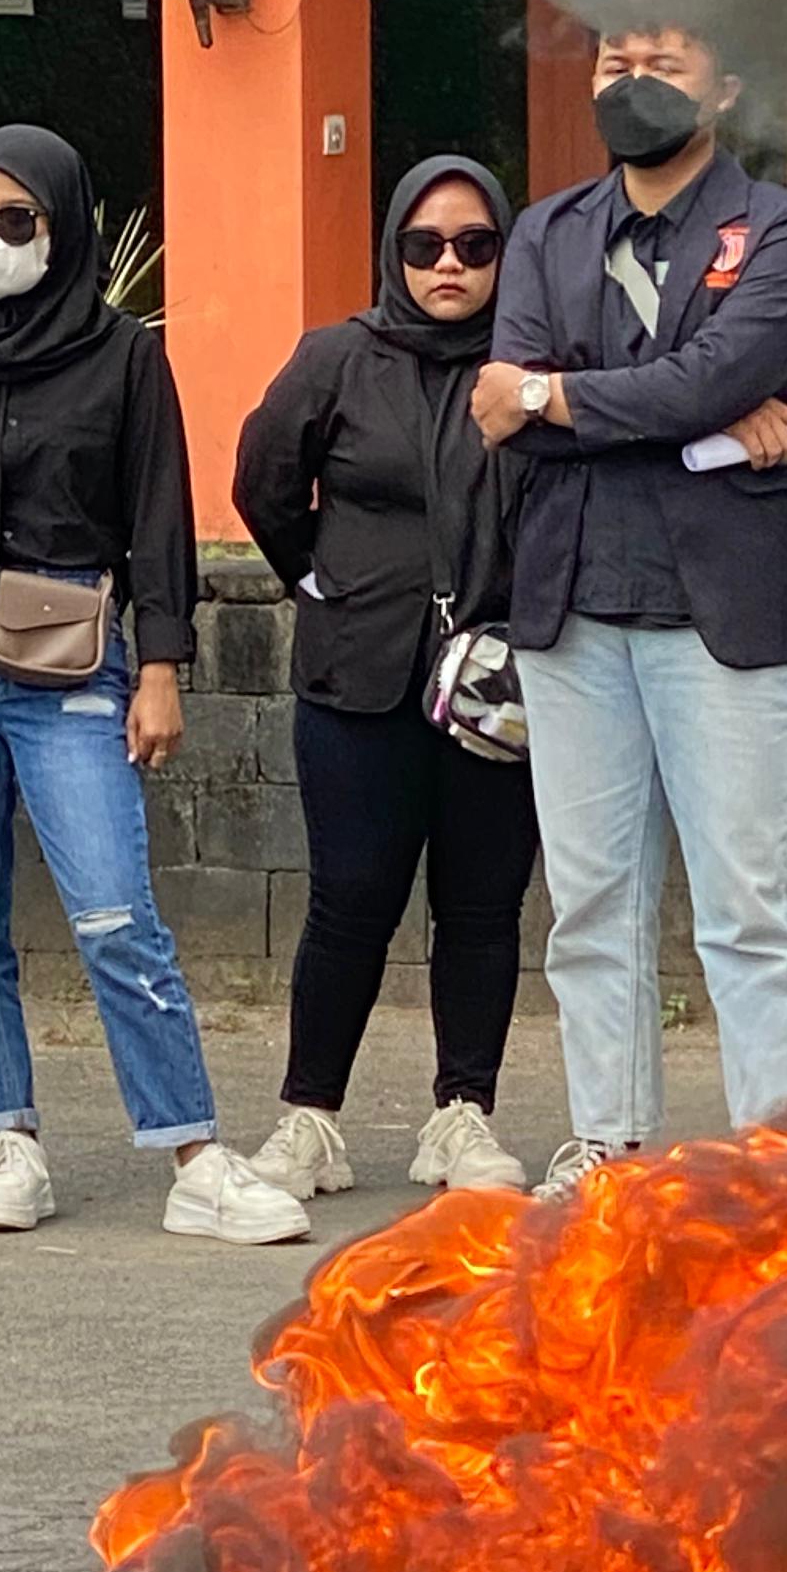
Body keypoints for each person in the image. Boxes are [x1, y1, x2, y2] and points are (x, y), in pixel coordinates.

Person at [0, 123, 306, 1247]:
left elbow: (156, 521)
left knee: (112, 907)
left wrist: (161, 669)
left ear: (64, 224)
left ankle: (192, 1151)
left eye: (17, 222)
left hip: (69, 644)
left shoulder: (120, 356)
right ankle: (5, 1139)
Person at [474, 26, 787, 1193]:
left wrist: (554, 394)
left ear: (727, 87)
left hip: (722, 610)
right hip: (571, 601)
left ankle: (772, 1161)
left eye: (665, 63)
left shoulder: (785, 231)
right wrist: (675, 412)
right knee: (588, 901)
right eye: (613, 59)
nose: (631, 83)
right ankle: (609, 1141)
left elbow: (715, 375)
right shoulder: (547, 231)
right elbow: (499, 403)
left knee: (748, 907)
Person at [233, 154, 538, 1202]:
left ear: (505, 253)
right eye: (425, 245)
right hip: (358, 674)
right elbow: (265, 477)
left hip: (494, 688)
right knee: (350, 900)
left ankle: (464, 1113)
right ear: (392, 252)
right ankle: (310, 1117)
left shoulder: (526, 367)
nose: (448, 265)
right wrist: (321, 578)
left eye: (475, 246)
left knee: (483, 905)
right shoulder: (338, 357)